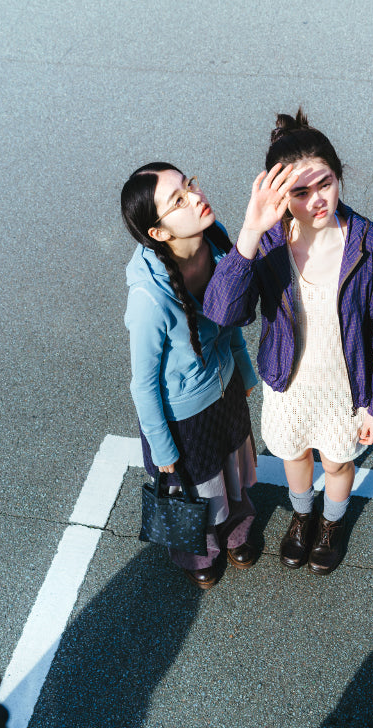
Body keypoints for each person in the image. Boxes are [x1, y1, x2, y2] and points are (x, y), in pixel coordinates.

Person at [204, 109, 373, 575]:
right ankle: (301, 516)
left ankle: (331, 523)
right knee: (294, 455)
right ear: (278, 195)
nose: (318, 200)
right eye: (300, 191)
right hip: (287, 383)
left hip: (344, 386)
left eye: (326, 183)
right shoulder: (270, 242)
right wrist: (249, 234)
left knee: (336, 463)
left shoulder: (368, 245)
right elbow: (223, 312)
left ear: (339, 176)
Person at [122, 162, 282, 589]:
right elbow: (143, 384)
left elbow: (224, 320)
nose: (195, 195)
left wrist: (243, 368)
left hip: (224, 386)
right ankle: (198, 552)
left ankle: (238, 528)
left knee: (232, 467)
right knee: (197, 489)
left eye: (189, 184)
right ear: (158, 232)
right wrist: (161, 447)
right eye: (177, 200)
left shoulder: (214, 240)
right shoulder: (148, 299)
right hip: (183, 414)